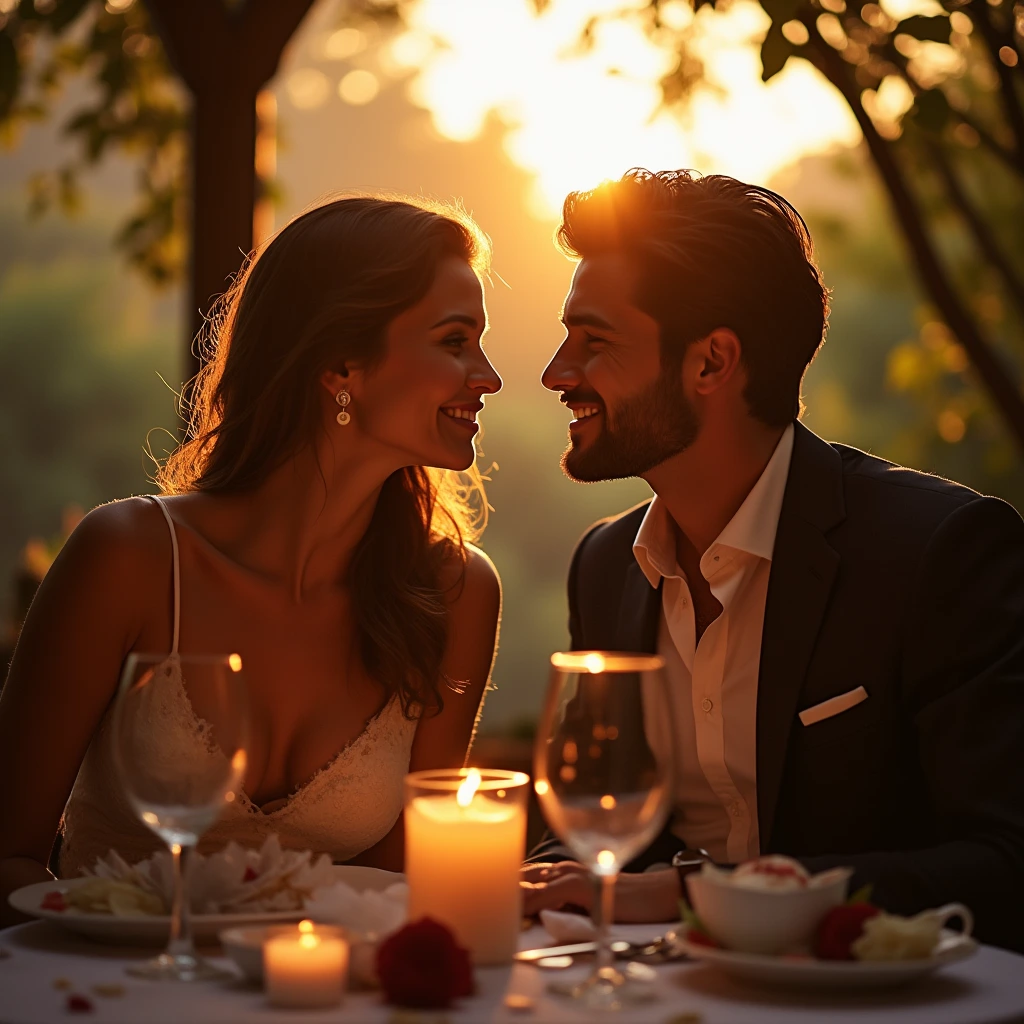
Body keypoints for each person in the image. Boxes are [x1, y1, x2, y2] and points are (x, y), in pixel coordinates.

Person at [522, 168, 1024, 952]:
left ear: (712, 363)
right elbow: (591, 844)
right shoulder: (605, 564)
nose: (557, 371)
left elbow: (1004, 863)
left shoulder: (937, 551)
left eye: (596, 341)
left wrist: (693, 893)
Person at [0, 195, 502, 926]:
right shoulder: (130, 559)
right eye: (455, 341)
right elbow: (8, 857)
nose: (486, 375)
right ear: (341, 365)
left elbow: (406, 886)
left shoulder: (455, 594)